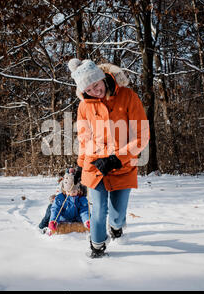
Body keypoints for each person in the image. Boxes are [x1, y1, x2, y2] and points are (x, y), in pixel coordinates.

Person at [68, 58, 150, 258]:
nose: (95, 91)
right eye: (88, 89)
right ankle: (97, 248)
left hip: (122, 164)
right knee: (98, 210)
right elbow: (84, 139)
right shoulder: (83, 107)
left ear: (103, 78)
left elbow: (142, 136)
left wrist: (116, 159)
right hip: (94, 166)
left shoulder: (128, 96)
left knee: (117, 215)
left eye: (96, 85)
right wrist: (79, 167)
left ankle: (116, 227)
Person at [39, 168, 89, 233]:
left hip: (77, 218)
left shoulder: (81, 197)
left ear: (78, 190)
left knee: (88, 210)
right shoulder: (61, 194)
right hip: (63, 218)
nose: (71, 194)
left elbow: (84, 211)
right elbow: (56, 209)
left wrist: (86, 220)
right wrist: (53, 221)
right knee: (51, 208)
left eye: (74, 192)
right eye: (69, 192)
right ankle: (43, 226)